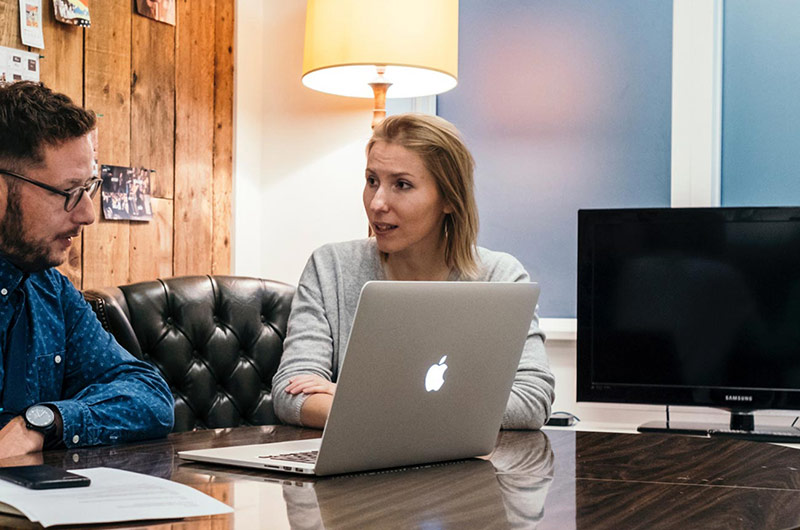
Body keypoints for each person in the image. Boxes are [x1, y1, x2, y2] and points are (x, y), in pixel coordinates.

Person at [272, 113, 555, 430]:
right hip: (357, 461)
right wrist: (444, 410)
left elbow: (533, 399)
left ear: (449, 198)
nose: (377, 203)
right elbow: (291, 394)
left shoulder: (500, 277)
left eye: (402, 185)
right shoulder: (330, 267)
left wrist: (367, 402)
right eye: (372, 181)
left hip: (462, 462)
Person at [0, 81, 174, 459]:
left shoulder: (50, 291)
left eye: (88, 188)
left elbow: (150, 395)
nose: (88, 214)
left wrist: (42, 422)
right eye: (68, 192)